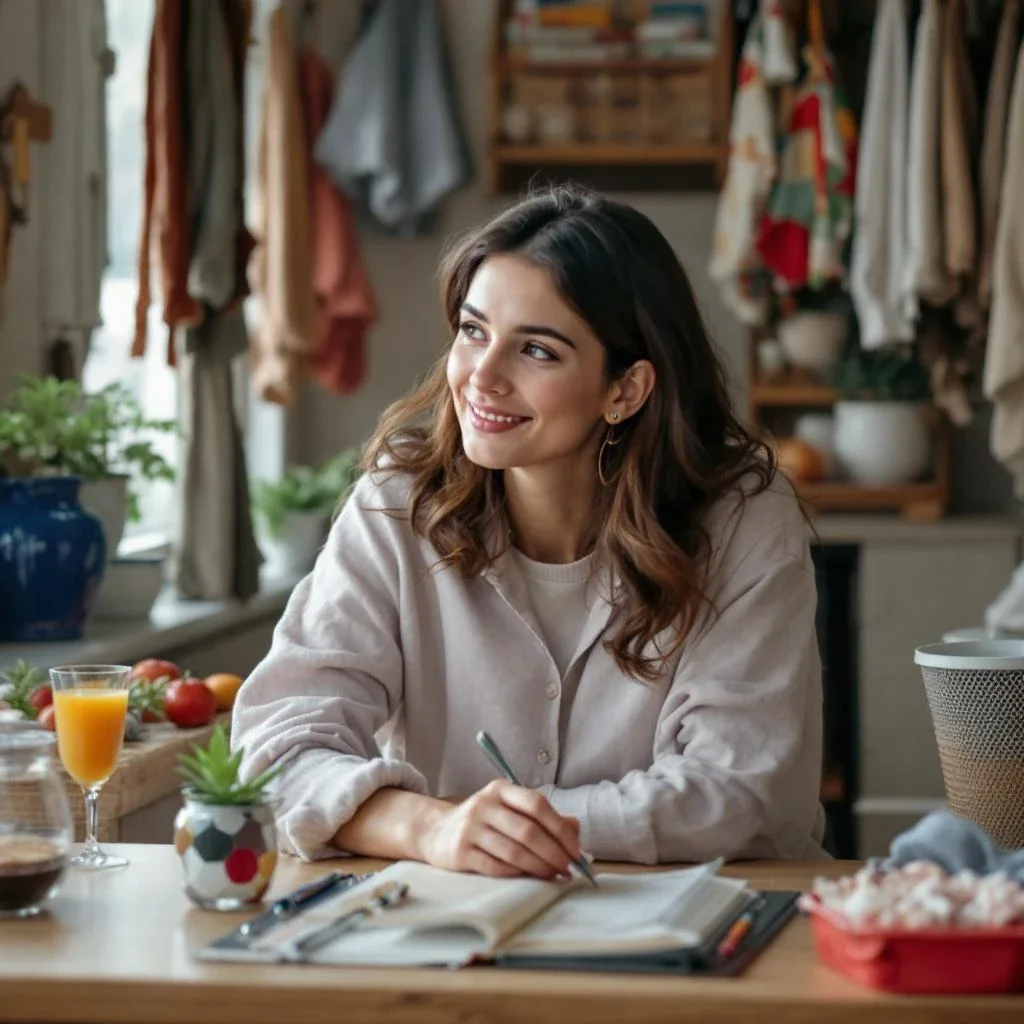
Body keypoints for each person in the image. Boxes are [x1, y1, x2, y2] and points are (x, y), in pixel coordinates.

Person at [233, 184, 827, 877]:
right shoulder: (394, 511)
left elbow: (742, 790)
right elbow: (277, 747)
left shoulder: (743, 523)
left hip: (702, 924)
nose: (481, 377)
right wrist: (431, 826)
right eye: (472, 330)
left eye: (537, 351)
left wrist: (506, 827)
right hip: (454, 930)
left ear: (625, 391)